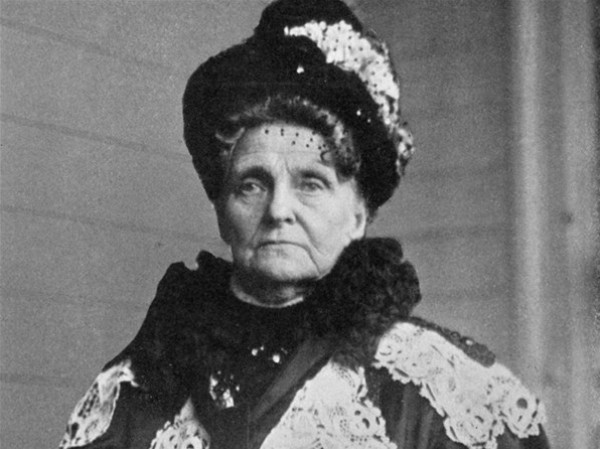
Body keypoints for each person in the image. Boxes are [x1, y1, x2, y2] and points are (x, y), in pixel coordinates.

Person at [58, 1, 549, 448]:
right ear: (221, 210)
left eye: (311, 183)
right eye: (252, 184)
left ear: (359, 214)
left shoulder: (445, 393)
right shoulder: (138, 385)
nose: (278, 210)